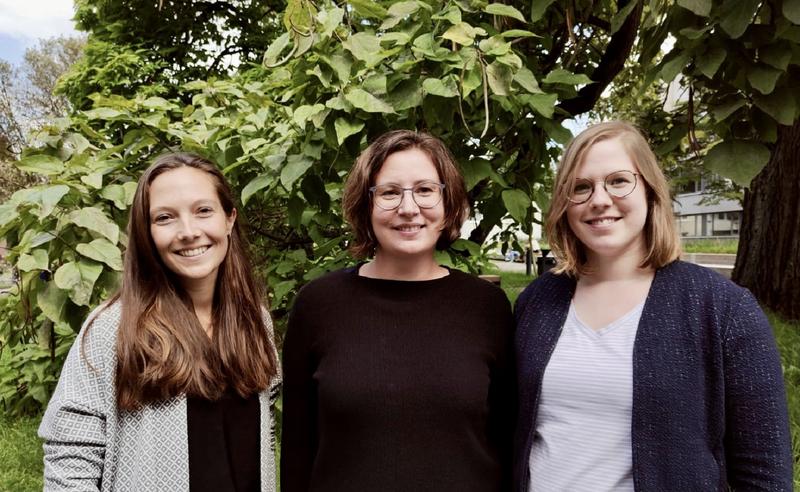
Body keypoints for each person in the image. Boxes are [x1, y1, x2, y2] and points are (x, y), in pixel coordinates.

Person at [513, 121, 793, 491]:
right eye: (581, 187)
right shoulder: (538, 301)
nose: (599, 199)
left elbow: (764, 472)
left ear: (649, 190)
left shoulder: (722, 308)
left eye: (618, 181)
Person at [280, 130, 516, 491]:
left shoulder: (487, 308)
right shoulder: (318, 306)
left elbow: (506, 439)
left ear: (448, 202)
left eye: (424, 190)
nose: (408, 208)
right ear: (366, 205)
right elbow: (297, 448)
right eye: (390, 193)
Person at [39, 152, 281, 491]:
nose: (188, 231)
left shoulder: (255, 321)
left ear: (229, 219)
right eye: (165, 218)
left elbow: (264, 426)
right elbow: (71, 459)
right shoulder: (112, 328)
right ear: (146, 232)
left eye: (203, 211)